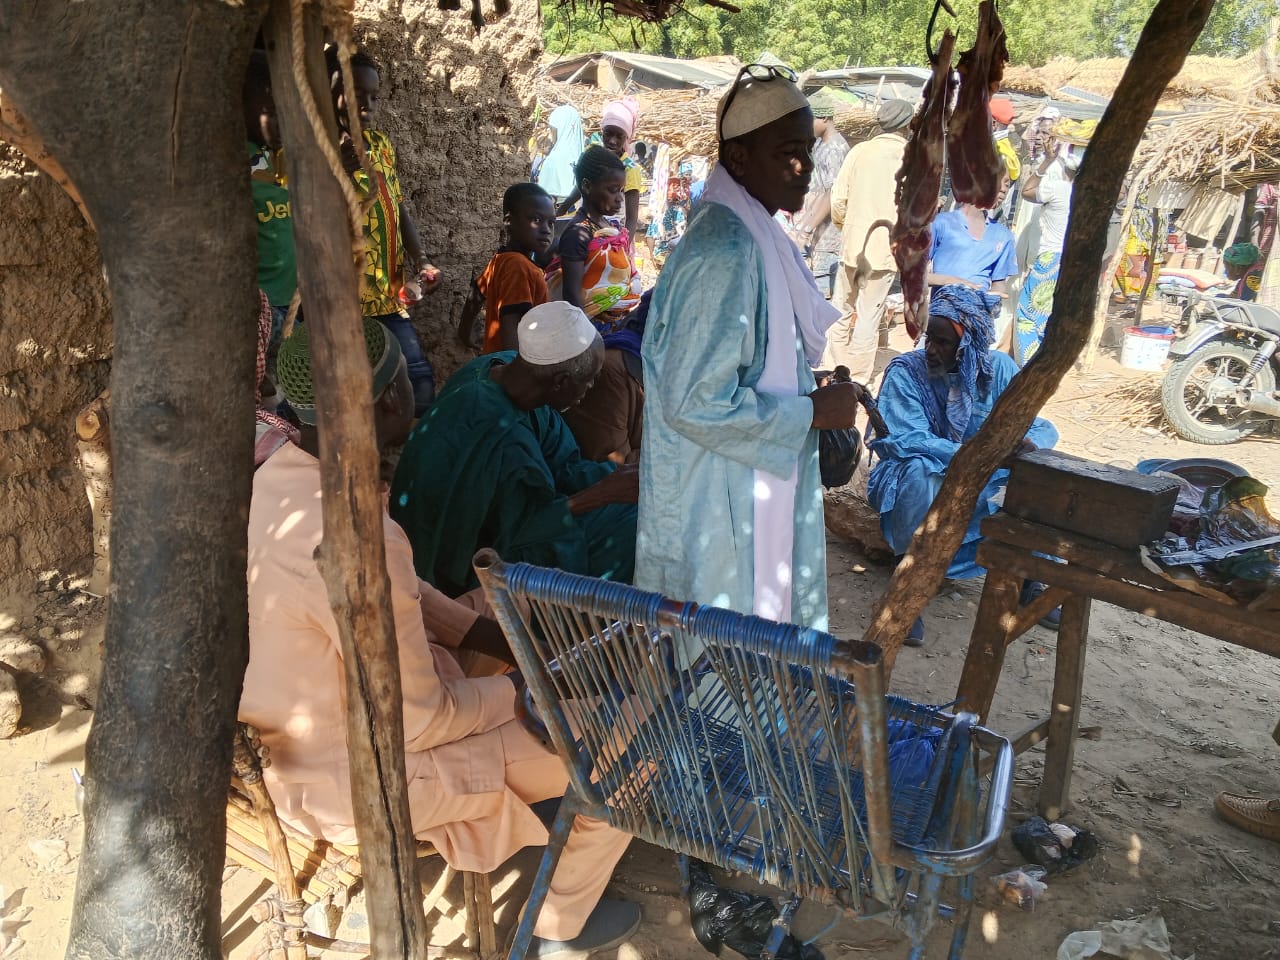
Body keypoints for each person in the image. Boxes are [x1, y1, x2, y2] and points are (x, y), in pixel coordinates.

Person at [243, 316, 641, 958]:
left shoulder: (278, 482)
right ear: (390, 401)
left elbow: (410, 598)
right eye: (411, 376)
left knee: (514, 599)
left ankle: (541, 775)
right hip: (357, 779)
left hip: (298, 740)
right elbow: (420, 722)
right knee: (632, 744)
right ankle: (559, 929)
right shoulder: (360, 541)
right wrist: (529, 687)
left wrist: (501, 637)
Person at [636, 64, 861, 629]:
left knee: (743, 644)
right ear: (738, 158)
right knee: (724, 643)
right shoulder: (724, 249)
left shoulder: (751, 231)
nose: (805, 167)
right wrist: (811, 413)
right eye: (788, 152)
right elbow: (693, 401)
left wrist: (807, 389)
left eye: (808, 150)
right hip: (719, 493)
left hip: (738, 482)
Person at [390, 302, 639, 597]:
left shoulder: (504, 366)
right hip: (461, 558)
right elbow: (521, 531)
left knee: (633, 507)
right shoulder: (501, 438)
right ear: (561, 382)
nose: (591, 387)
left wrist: (615, 475)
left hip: (511, 517)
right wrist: (601, 494)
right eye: (589, 380)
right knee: (632, 534)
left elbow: (562, 466)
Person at [867, 286, 1059, 646]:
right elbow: (906, 440)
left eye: (943, 342)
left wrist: (1027, 446)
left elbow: (1040, 426)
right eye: (930, 338)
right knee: (918, 471)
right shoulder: (906, 373)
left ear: (969, 343)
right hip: (920, 476)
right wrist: (981, 455)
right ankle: (907, 580)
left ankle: (1027, 575)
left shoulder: (999, 370)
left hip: (981, 476)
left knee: (1038, 476)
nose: (931, 349)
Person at [328, 47, 441, 415]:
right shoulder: (318, 150)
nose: (368, 105)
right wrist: (337, 171)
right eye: (357, 95)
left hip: (387, 295)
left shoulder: (379, 145)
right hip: (344, 301)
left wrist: (421, 259)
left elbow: (397, 205)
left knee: (419, 383)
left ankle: (407, 449)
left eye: (374, 96)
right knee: (359, 394)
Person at [550, 146, 645, 463]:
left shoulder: (608, 227)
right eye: (612, 190)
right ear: (587, 187)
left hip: (613, 325)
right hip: (589, 330)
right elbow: (573, 295)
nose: (619, 198)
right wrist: (588, 339)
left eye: (621, 190)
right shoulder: (578, 234)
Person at [827, 99, 914, 386]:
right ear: (907, 124)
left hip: (854, 244)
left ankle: (832, 368)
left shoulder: (860, 152)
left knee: (841, 309)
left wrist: (846, 227)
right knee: (869, 314)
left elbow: (838, 199)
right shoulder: (912, 158)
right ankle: (857, 378)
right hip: (886, 249)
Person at [245, 51, 297, 347]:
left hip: (294, 300)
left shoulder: (282, 156)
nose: (283, 122)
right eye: (273, 112)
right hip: (262, 305)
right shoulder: (235, 158)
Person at [1013, 138, 1079, 365]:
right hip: (1075, 264)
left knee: (1029, 317)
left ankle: (1029, 367)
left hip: (1051, 261)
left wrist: (1046, 162)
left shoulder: (1060, 188)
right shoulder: (1092, 197)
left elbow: (1027, 191)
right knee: (1056, 316)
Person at [474, 182, 555, 353]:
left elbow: (475, 295)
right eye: (537, 220)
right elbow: (511, 323)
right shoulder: (518, 266)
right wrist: (512, 364)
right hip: (514, 364)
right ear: (508, 221)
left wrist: (465, 333)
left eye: (551, 223)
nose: (547, 230)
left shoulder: (501, 260)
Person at [789, 92, 850, 299]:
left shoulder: (835, 149)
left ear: (824, 118)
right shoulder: (820, 144)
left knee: (820, 297)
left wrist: (807, 229)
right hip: (818, 232)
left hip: (830, 237)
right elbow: (818, 190)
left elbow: (832, 193)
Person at [557, 98, 644, 242]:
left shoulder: (630, 169)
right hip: (588, 225)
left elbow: (632, 218)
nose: (612, 141)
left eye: (619, 136)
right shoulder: (593, 155)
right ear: (602, 131)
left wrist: (623, 246)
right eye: (608, 133)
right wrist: (561, 210)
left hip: (614, 237)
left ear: (627, 137)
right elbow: (580, 186)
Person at [926, 174, 1018, 298]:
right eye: (1000, 181)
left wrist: (991, 298)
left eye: (1007, 185)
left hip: (978, 307)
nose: (1004, 189)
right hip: (943, 305)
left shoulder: (1003, 235)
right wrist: (953, 282)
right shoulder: (941, 223)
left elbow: (999, 283)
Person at [536, 103, 584, 203]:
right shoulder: (585, 160)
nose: (551, 133)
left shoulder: (552, 161)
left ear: (560, 128)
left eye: (552, 128)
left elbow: (544, 201)